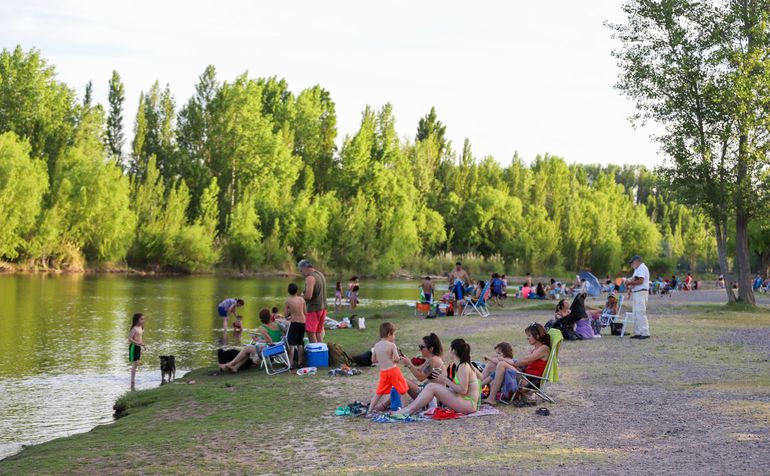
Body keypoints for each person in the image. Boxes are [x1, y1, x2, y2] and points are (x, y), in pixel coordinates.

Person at [394, 338, 480, 416]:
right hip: (464, 401)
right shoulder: (460, 365)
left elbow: (463, 390)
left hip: (468, 404)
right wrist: (409, 363)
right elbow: (419, 371)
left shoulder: (463, 366)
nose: (420, 349)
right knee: (429, 386)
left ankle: (407, 410)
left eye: (421, 347)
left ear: (453, 351)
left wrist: (445, 379)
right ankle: (407, 409)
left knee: (429, 386)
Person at [485, 323, 551, 405]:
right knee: (492, 365)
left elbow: (526, 361)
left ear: (537, 336)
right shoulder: (536, 349)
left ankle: (491, 398)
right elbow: (524, 362)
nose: (527, 338)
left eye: (529, 336)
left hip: (530, 382)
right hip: (524, 376)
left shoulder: (544, 349)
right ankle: (476, 389)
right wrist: (509, 362)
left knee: (502, 364)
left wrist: (509, 361)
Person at [220, 308, 279, 373]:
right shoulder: (277, 324)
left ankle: (230, 364)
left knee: (246, 349)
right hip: (278, 348)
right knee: (247, 350)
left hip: (269, 350)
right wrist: (258, 340)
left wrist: (259, 341)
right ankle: (235, 367)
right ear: (270, 316)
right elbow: (273, 339)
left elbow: (270, 341)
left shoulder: (263, 327)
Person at [368, 323, 409, 415]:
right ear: (389, 334)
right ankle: (404, 411)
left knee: (379, 392)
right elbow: (397, 359)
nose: (394, 337)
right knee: (403, 391)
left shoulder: (376, 345)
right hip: (393, 371)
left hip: (383, 372)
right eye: (394, 334)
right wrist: (396, 358)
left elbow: (373, 360)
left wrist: (382, 359)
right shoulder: (392, 345)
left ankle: (369, 410)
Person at [299, 260, 327, 343]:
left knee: (311, 333)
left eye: (301, 270)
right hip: (323, 308)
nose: (301, 273)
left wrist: (299, 298)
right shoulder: (320, 274)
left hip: (314, 309)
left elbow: (308, 296)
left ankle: (315, 350)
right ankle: (321, 350)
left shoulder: (310, 278)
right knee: (318, 333)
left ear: (305, 268)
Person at [625, 255, 651, 339]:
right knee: (635, 313)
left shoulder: (642, 268)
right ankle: (638, 332)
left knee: (640, 312)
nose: (631, 264)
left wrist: (629, 283)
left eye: (632, 262)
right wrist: (629, 288)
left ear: (637, 261)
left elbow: (640, 281)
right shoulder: (637, 269)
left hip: (641, 292)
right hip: (636, 292)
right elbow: (635, 280)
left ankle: (645, 332)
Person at [285, 283, 307, 369]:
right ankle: (300, 362)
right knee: (300, 343)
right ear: (297, 290)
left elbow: (286, 315)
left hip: (294, 323)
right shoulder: (302, 300)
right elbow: (305, 312)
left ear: (288, 291)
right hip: (302, 322)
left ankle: (291, 364)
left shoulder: (288, 301)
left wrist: (290, 315)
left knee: (292, 344)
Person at [128, 313, 146, 391]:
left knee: (137, 364)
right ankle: (132, 382)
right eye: (141, 319)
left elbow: (140, 338)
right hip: (134, 347)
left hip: (138, 347)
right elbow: (129, 339)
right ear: (137, 320)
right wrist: (138, 343)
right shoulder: (134, 328)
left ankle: (133, 380)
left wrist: (143, 345)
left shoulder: (141, 327)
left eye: (143, 319)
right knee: (135, 364)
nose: (143, 320)